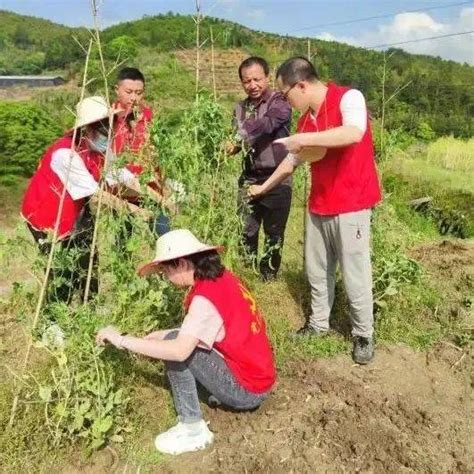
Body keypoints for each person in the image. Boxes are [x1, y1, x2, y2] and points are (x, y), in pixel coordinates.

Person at [249, 57, 382, 364]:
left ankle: (363, 334)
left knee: (354, 273)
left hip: (352, 204)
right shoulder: (305, 121)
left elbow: (353, 133)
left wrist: (304, 139)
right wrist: (263, 187)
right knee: (317, 270)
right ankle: (319, 324)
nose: (286, 101)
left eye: (286, 94)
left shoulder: (348, 98)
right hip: (319, 204)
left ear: (302, 85)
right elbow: (291, 162)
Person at [96, 229, 276, 455]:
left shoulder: (203, 299)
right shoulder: (222, 279)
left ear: (180, 263)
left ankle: (192, 427)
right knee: (172, 337)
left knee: (175, 346)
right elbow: (212, 325)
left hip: (247, 390)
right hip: (260, 377)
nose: (165, 277)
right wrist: (165, 332)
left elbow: (180, 351)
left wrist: (122, 340)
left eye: (164, 270)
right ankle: (212, 396)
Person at [21, 96, 150, 303]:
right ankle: (54, 321)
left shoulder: (98, 146)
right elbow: (96, 195)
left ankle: (89, 305)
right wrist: (138, 211)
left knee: (89, 259)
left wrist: (153, 196)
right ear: (86, 129)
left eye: (109, 129)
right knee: (63, 268)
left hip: (77, 208)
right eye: (101, 130)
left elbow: (119, 175)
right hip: (47, 214)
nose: (107, 136)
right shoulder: (66, 154)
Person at [227, 57, 292, 281]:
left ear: (267, 76)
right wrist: (229, 147)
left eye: (257, 79)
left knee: (274, 232)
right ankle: (247, 272)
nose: (252, 85)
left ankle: (268, 276)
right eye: (247, 81)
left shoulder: (280, 102)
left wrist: (240, 133)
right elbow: (235, 142)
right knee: (246, 229)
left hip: (278, 177)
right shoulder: (239, 108)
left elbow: (268, 124)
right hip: (249, 177)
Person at [112, 67, 171, 237]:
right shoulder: (108, 119)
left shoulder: (148, 116)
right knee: (123, 242)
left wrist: (163, 183)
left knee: (164, 237)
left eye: (138, 93)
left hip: (151, 190)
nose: (134, 98)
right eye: (128, 92)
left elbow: (159, 154)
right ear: (117, 90)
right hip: (123, 193)